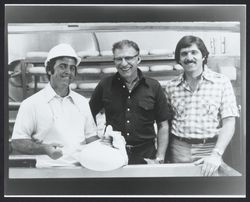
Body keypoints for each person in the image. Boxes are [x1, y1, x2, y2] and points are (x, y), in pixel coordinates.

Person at [11, 43, 100, 167]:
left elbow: (90, 137)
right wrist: (44, 149)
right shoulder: (31, 104)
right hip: (47, 172)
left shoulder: (82, 102)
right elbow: (17, 142)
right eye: (62, 66)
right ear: (49, 69)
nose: (68, 72)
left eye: (72, 68)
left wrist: (105, 144)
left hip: (81, 170)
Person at [165, 35, 239, 176]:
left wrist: (216, 154)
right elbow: (166, 123)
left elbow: (229, 122)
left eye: (194, 52)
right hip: (179, 148)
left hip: (210, 148)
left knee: (211, 192)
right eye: (184, 54)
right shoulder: (171, 86)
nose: (189, 57)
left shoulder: (221, 82)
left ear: (203, 56)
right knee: (182, 190)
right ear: (179, 59)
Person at [89, 39, 172, 164]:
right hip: (113, 154)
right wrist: (96, 142)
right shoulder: (105, 85)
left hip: (146, 155)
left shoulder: (154, 86)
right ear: (114, 61)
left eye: (129, 58)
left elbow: (163, 125)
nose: (123, 63)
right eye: (118, 59)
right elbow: (88, 115)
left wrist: (160, 158)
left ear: (138, 59)